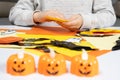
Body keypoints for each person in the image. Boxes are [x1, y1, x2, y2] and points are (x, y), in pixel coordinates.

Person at [9, 0, 116, 31]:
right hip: (41, 44)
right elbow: (15, 13)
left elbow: (109, 15)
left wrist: (85, 21)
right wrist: (37, 16)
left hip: (85, 45)